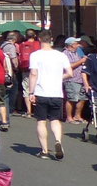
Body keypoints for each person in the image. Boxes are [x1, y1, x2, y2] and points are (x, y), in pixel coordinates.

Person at [29, 30, 74, 160]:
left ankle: (44, 150)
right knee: (55, 120)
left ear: (39, 39)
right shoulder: (61, 55)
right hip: (56, 92)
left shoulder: (36, 55)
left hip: (41, 91)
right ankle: (58, 141)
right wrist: (58, 78)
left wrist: (31, 92)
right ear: (51, 39)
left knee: (41, 121)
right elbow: (70, 73)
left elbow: (33, 74)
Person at [63, 35, 89, 123]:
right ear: (71, 45)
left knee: (82, 98)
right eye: (76, 43)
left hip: (80, 79)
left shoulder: (77, 52)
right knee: (71, 99)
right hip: (71, 79)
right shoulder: (65, 53)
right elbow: (69, 66)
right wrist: (81, 61)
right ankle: (69, 117)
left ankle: (77, 116)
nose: (78, 45)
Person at [16, 28, 40, 116]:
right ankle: (38, 110)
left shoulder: (22, 45)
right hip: (37, 69)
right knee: (37, 89)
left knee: (26, 90)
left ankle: (29, 111)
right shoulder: (38, 44)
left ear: (26, 36)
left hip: (25, 69)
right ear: (35, 36)